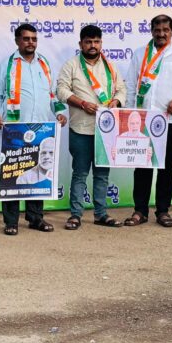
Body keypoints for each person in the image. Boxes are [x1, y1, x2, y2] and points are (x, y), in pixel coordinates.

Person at [0, 23, 67, 235]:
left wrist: (60, 112)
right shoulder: (7, 65)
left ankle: (35, 218)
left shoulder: (44, 63)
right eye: (26, 39)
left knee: (39, 171)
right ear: (17, 40)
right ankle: (11, 222)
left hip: (41, 128)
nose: (31, 42)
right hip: (15, 129)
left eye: (34, 39)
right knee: (13, 173)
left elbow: (52, 95)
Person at [123, 14, 172, 228]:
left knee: (166, 168)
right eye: (157, 30)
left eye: (166, 30)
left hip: (169, 120)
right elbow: (130, 86)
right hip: (143, 119)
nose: (161, 34)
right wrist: (130, 114)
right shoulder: (140, 54)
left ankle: (163, 211)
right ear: (151, 31)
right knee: (142, 167)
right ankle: (140, 210)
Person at [56, 24, 126, 231]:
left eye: (96, 41)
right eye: (88, 42)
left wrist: (116, 102)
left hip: (106, 131)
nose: (93, 45)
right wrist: (82, 104)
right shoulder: (71, 65)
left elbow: (122, 89)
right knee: (80, 173)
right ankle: (75, 215)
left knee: (102, 175)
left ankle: (101, 214)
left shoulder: (110, 66)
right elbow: (61, 90)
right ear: (81, 44)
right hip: (81, 129)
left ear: (101, 43)